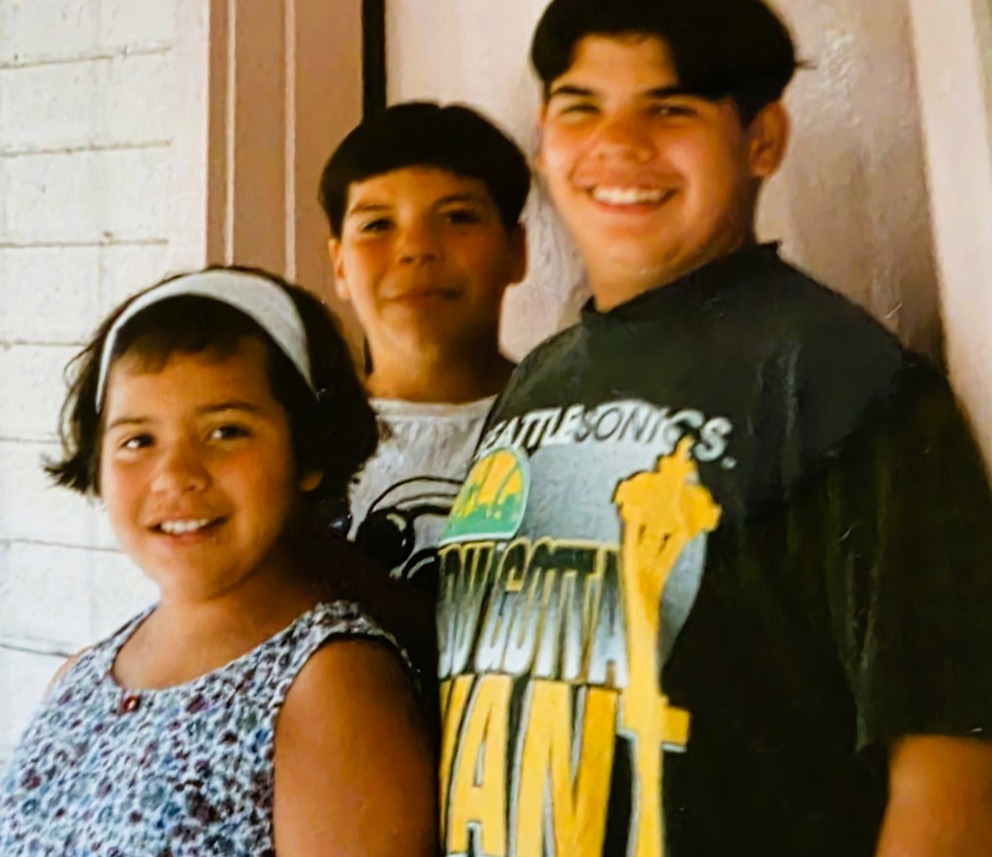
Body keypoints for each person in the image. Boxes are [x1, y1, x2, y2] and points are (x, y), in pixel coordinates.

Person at [435, 1, 992, 856]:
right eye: (582, 107)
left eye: (671, 108)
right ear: (545, 136)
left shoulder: (843, 381)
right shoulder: (539, 379)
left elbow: (951, 765)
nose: (618, 143)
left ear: (762, 138)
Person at [0, 267, 437, 855]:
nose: (176, 475)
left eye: (226, 431)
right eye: (137, 440)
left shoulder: (329, 687)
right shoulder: (79, 677)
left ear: (309, 452)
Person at [319, 101, 529, 590]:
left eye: (457, 216)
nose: (417, 248)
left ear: (516, 251)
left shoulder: (569, 424)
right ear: (339, 266)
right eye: (377, 224)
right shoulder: (306, 444)